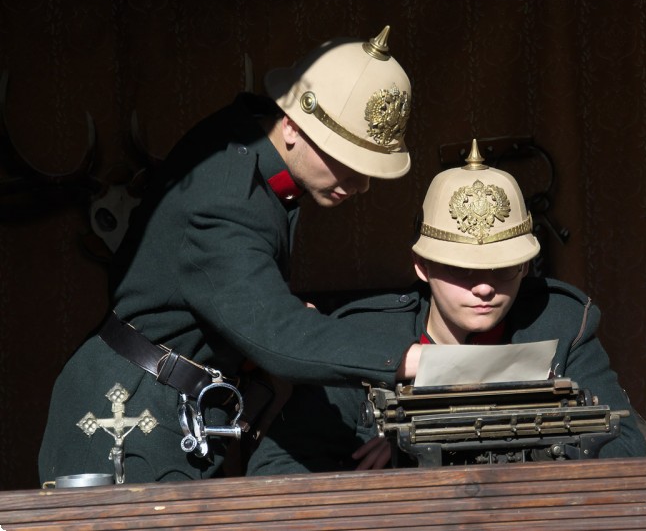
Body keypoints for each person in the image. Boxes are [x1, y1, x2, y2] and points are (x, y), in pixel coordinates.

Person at [38, 26, 424, 484]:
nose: (360, 185)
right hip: (126, 419)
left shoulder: (253, 141)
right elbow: (277, 333)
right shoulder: (226, 196)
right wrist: (409, 358)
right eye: (347, 161)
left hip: (172, 405)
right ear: (293, 125)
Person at [247, 140, 646, 475]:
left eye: (504, 268)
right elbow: (275, 470)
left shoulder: (560, 325)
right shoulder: (364, 336)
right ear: (422, 266)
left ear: (525, 265)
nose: (485, 287)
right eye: (462, 271)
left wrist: (432, 436)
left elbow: (628, 450)